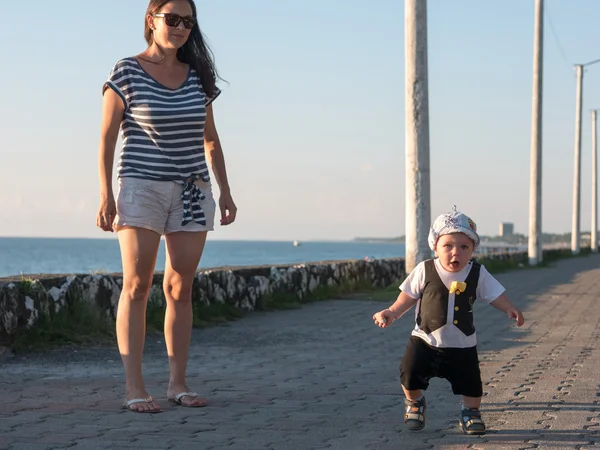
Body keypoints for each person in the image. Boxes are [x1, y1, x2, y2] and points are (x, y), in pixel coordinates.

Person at [96, 0, 237, 413]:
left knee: (180, 287)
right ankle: (134, 387)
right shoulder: (126, 71)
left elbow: (210, 139)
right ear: (151, 20)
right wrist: (105, 194)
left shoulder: (197, 77)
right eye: (171, 19)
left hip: (192, 191)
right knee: (137, 286)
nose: (179, 27)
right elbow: (106, 139)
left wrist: (225, 191)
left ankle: (178, 383)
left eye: (187, 22)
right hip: (141, 187)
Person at [372, 208, 524, 435]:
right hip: (425, 340)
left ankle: (470, 412)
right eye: (448, 246)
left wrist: (509, 308)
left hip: (462, 344)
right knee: (409, 372)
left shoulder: (477, 273)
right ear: (435, 246)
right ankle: (415, 403)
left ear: (473, 249)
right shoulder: (425, 269)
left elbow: (494, 294)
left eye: (464, 247)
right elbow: (408, 297)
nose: (456, 253)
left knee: (471, 384)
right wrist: (392, 312)